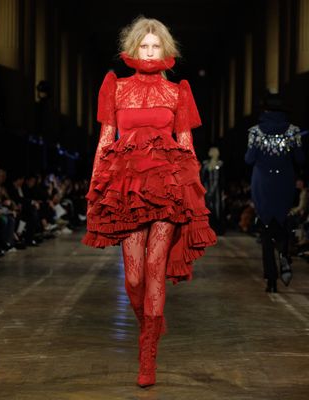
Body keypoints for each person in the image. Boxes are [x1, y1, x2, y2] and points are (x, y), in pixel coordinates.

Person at [82, 16, 216, 387]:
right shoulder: (116, 88)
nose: (151, 52)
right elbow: (106, 138)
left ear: (166, 50)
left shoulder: (177, 92)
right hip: (126, 188)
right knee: (134, 276)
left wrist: (194, 193)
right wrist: (95, 189)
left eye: (156, 46)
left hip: (168, 187)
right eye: (145, 45)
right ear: (133, 48)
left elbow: (187, 145)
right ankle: (150, 325)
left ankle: (147, 355)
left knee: (155, 266)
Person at [245, 92, 305, 293]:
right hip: (284, 182)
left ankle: (270, 278)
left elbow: (249, 159)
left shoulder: (255, 132)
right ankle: (285, 258)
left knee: (266, 230)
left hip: (263, 183)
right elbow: (300, 159)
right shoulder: (293, 131)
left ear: (265, 110)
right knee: (283, 225)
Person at [201, 146, 225, 234]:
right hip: (208, 190)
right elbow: (203, 178)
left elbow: (222, 179)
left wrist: (222, 192)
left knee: (217, 209)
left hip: (217, 191)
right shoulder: (206, 164)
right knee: (208, 208)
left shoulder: (220, 164)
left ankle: (218, 229)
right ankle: (208, 229)